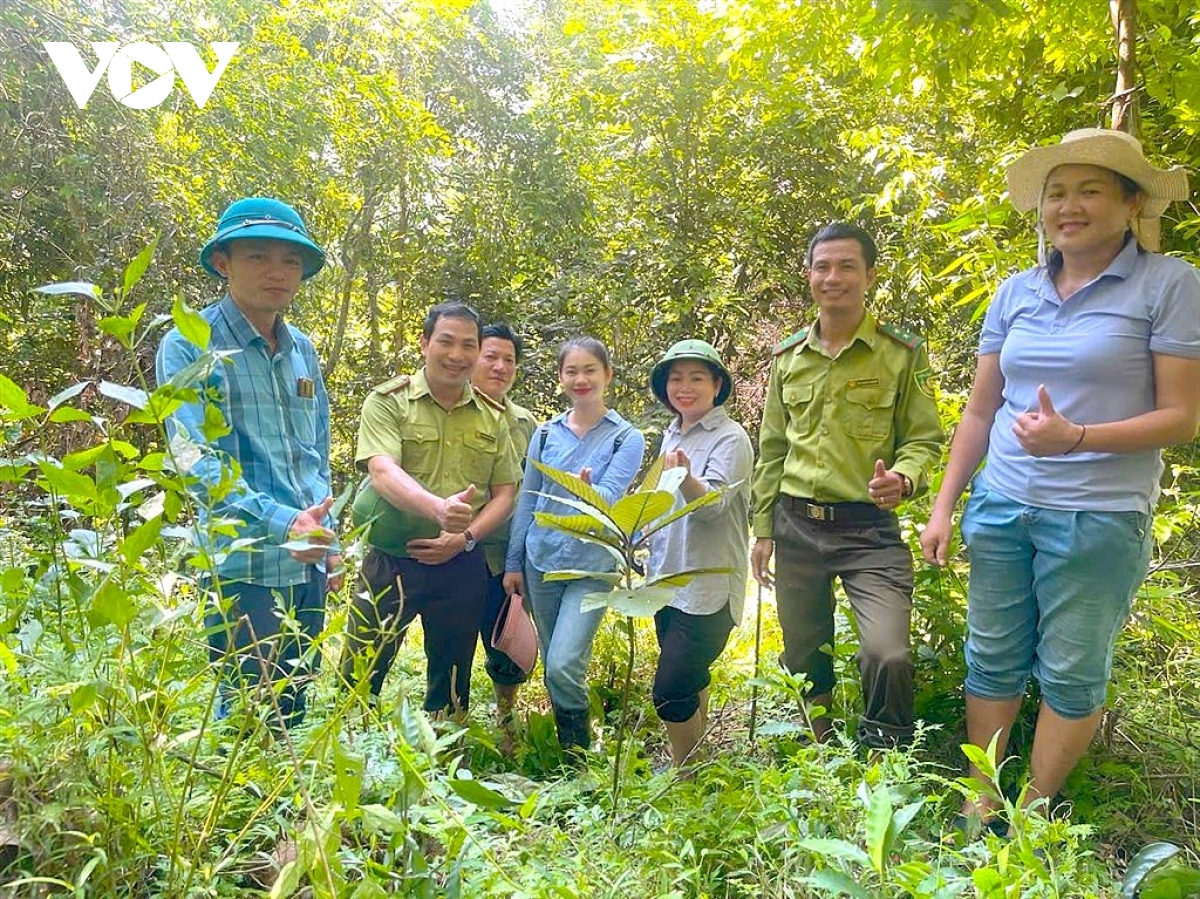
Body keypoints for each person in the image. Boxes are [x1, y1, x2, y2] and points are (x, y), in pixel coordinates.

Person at [919, 128, 1200, 832]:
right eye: (1056, 193)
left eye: (1090, 190)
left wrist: (1076, 438)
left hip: (1099, 515)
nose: (1068, 206)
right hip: (1002, 504)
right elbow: (982, 408)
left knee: (1073, 669)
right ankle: (981, 799)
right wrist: (945, 504)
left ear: (1132, 202)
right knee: (992, 655)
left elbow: (1182, 416)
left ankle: (1034, 811)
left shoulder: (1171, 285)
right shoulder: (1015, 292)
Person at [750, 222, 943, 750]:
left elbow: (925, 439)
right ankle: (819, 750)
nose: (833, 277)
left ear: (870, 276)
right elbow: (772, 450)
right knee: (805, 654)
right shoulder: (788, 358)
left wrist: (904, 479)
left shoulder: (900, 354)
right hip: (796, 526)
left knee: (888, 653)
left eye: (846, 266)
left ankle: (886, 754)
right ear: (809, 275)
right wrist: (763, 528)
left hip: (868, 531)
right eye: (822, 266)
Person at [155, 196, 341, 731]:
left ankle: (287, 816)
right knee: (247, 711)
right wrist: (285, 520)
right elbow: (191, 456)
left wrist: (327, 538)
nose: (277, 273)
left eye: (290, 261)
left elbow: (315, 451)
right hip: (243, 561)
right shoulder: (190, 344)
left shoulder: (302, 348)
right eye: (258, 257)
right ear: (223, 263)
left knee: (297, 702)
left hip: (306, 557)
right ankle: (242, 817)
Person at [343, 301, 520, 715]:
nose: (457, 355)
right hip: (391, 562)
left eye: (467, 345)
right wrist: (437, 508)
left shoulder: (492, 417)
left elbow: (505, 493)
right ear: (424, 343)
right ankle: (349, 759)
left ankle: (443, 762)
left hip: (460, 568)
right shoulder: (389, 401)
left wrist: (465, 538)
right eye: (446, 342)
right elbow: (382, 471)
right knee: (361, 670)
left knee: (453, 677)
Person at [503, 337, 646, 755]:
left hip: (592, 566)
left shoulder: (626, 438)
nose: (580, 379)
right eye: (572, 371)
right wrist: (514, 562)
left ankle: (579, 753)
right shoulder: (545, 435)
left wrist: (587, 493)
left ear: (608, 376)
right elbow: (528, 497)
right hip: (540, 560)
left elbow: (611, 495)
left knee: (564, 662)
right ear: (561, 377)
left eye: (590, 370)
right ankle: (570, 758)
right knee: (554, 664)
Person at [645, 339, 753, 766]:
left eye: (695, 378)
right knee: (690, 679)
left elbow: (714, 508)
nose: (684, 387)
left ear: (717, 385)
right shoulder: (672, 434)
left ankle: (684, 769)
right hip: (666, 581)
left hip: (708, 587)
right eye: (675, 378)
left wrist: (688, 478)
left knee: (669, 691)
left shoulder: (732, 438)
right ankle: (700, 756)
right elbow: (659, 503)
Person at [471, 322, 539, 751]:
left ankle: (507, 723)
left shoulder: (527, 424)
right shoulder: (452, 410)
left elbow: (534, 490)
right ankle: (449, 723)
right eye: (490, 356)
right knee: (456, 640)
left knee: (506, 637)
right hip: (462, 549)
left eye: (508, 360)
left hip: (509, 554)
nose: (499, 367)